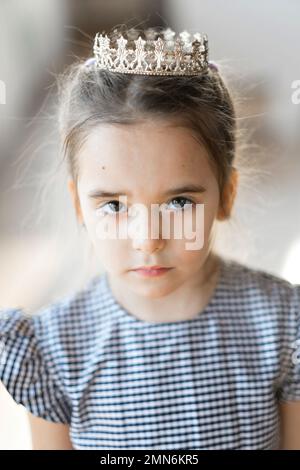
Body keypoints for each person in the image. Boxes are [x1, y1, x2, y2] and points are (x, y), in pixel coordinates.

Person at [0, 25, 299, 450]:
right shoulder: (51, 352)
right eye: (114, 206)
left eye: (178, 202)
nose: (148, 240)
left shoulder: (285, 326)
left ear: (226, 196)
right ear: (79, 206)